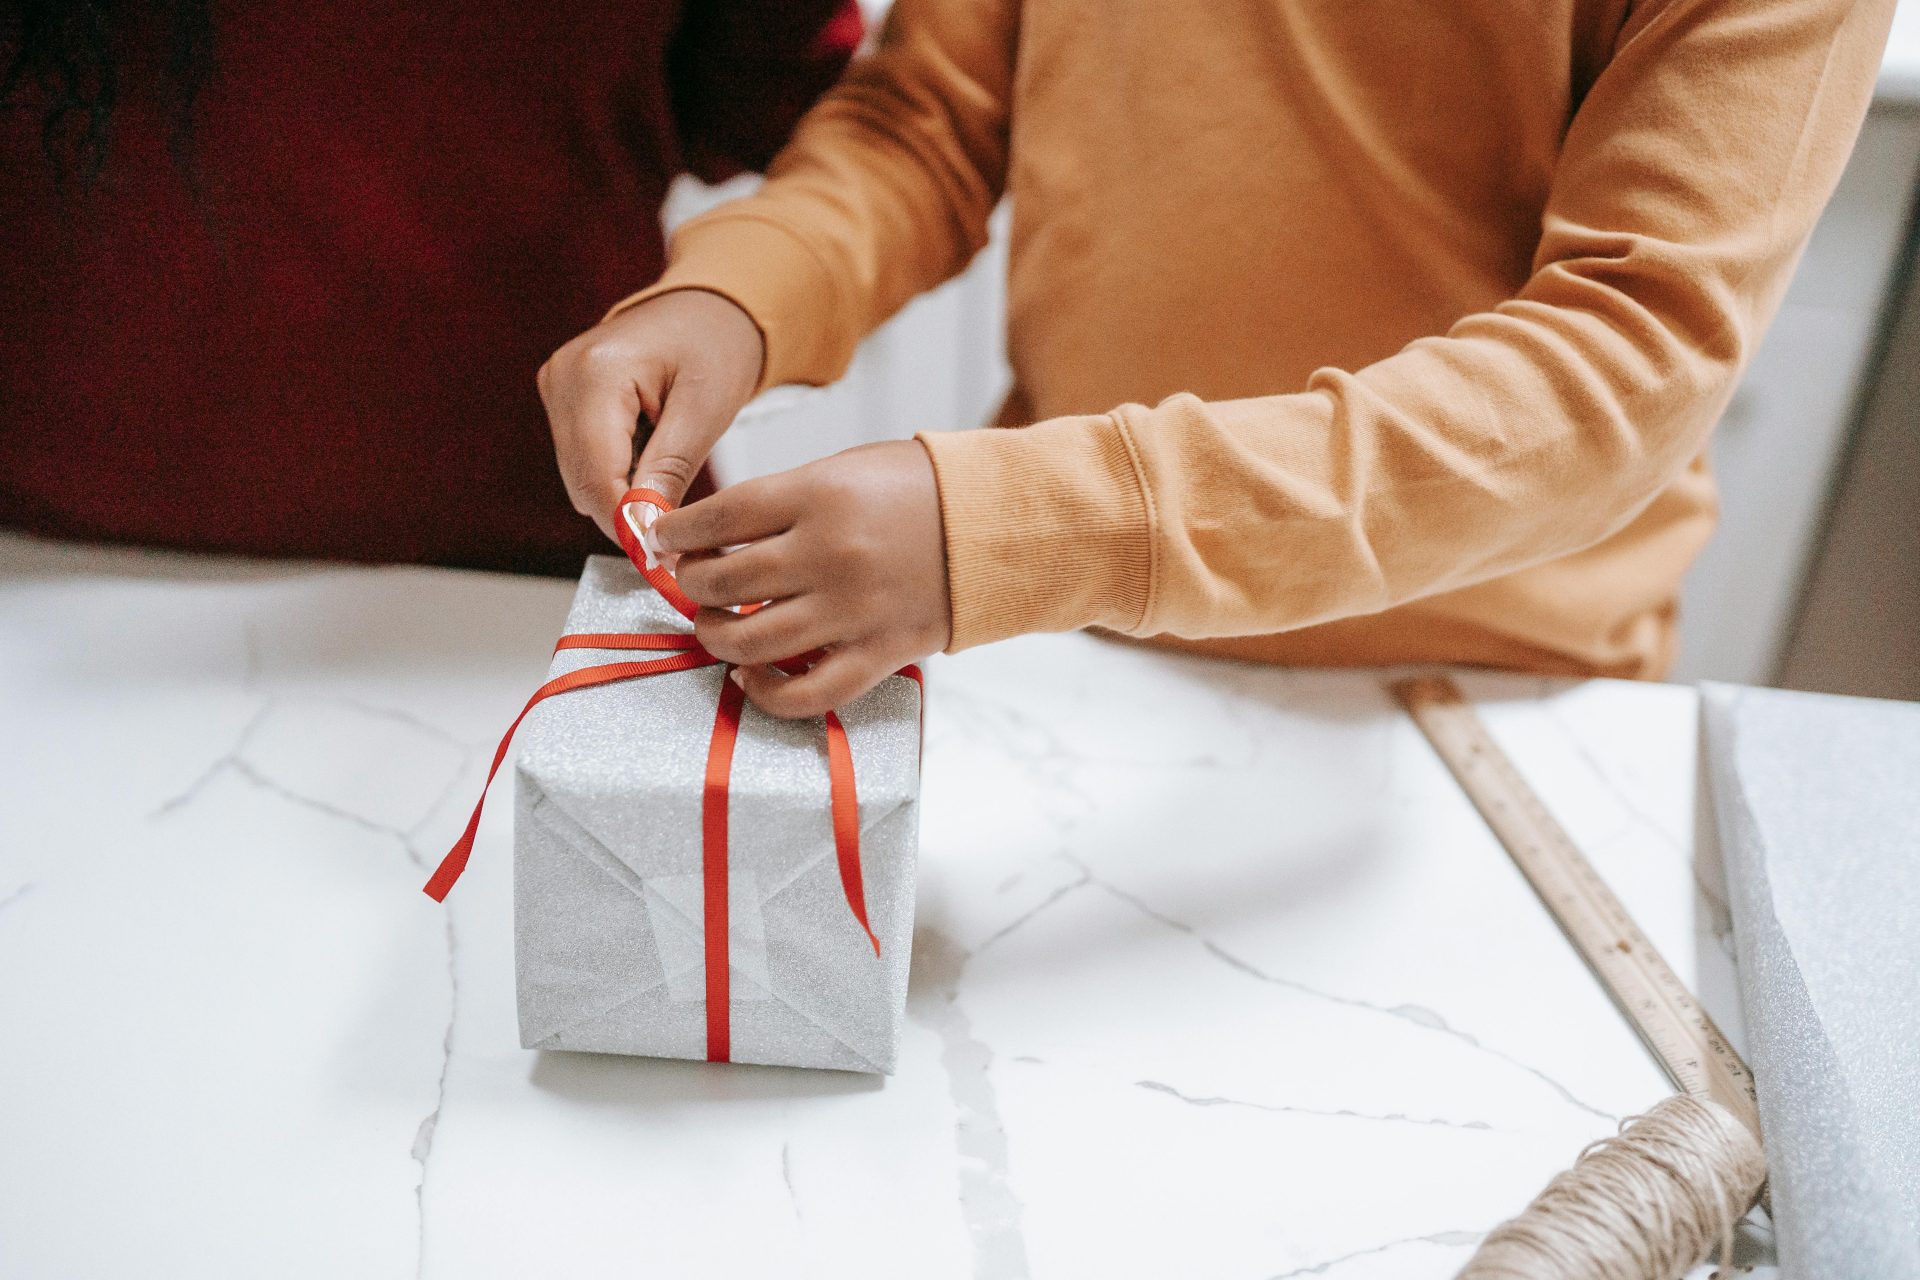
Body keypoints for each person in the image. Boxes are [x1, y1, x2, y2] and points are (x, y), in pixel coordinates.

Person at [544, 0, 1897, 719]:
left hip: (1484, 693)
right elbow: (929, 121)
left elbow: (1625, 364)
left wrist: (1031, 526)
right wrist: (736, 294)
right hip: (1075, 649)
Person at [0, 0, 860, 574]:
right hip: (53, 570)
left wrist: (733, 297)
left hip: (554, 556)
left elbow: (805, 110)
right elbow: (753, 96)